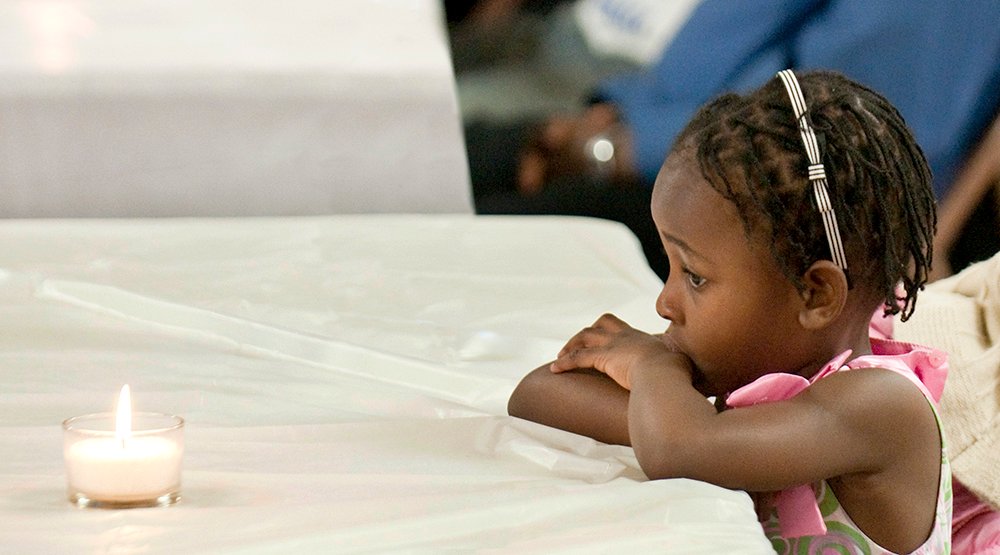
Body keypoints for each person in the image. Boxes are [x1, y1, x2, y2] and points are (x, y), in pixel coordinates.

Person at [507, 70, 951, 552]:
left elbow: (679, 450)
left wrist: (653, 367)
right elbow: (539, 394)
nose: (664, 303)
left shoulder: (880, 406)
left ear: (816, 295)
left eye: (694, 277)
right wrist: (663, 385)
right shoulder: (750, 368)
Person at [468, 0, 1000, 280]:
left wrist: (620, 146)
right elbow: (730, 32)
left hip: (800, 196)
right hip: (688, 130)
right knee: (472, 167)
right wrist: (619, 122)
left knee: (483, 227)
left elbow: (841, 124)